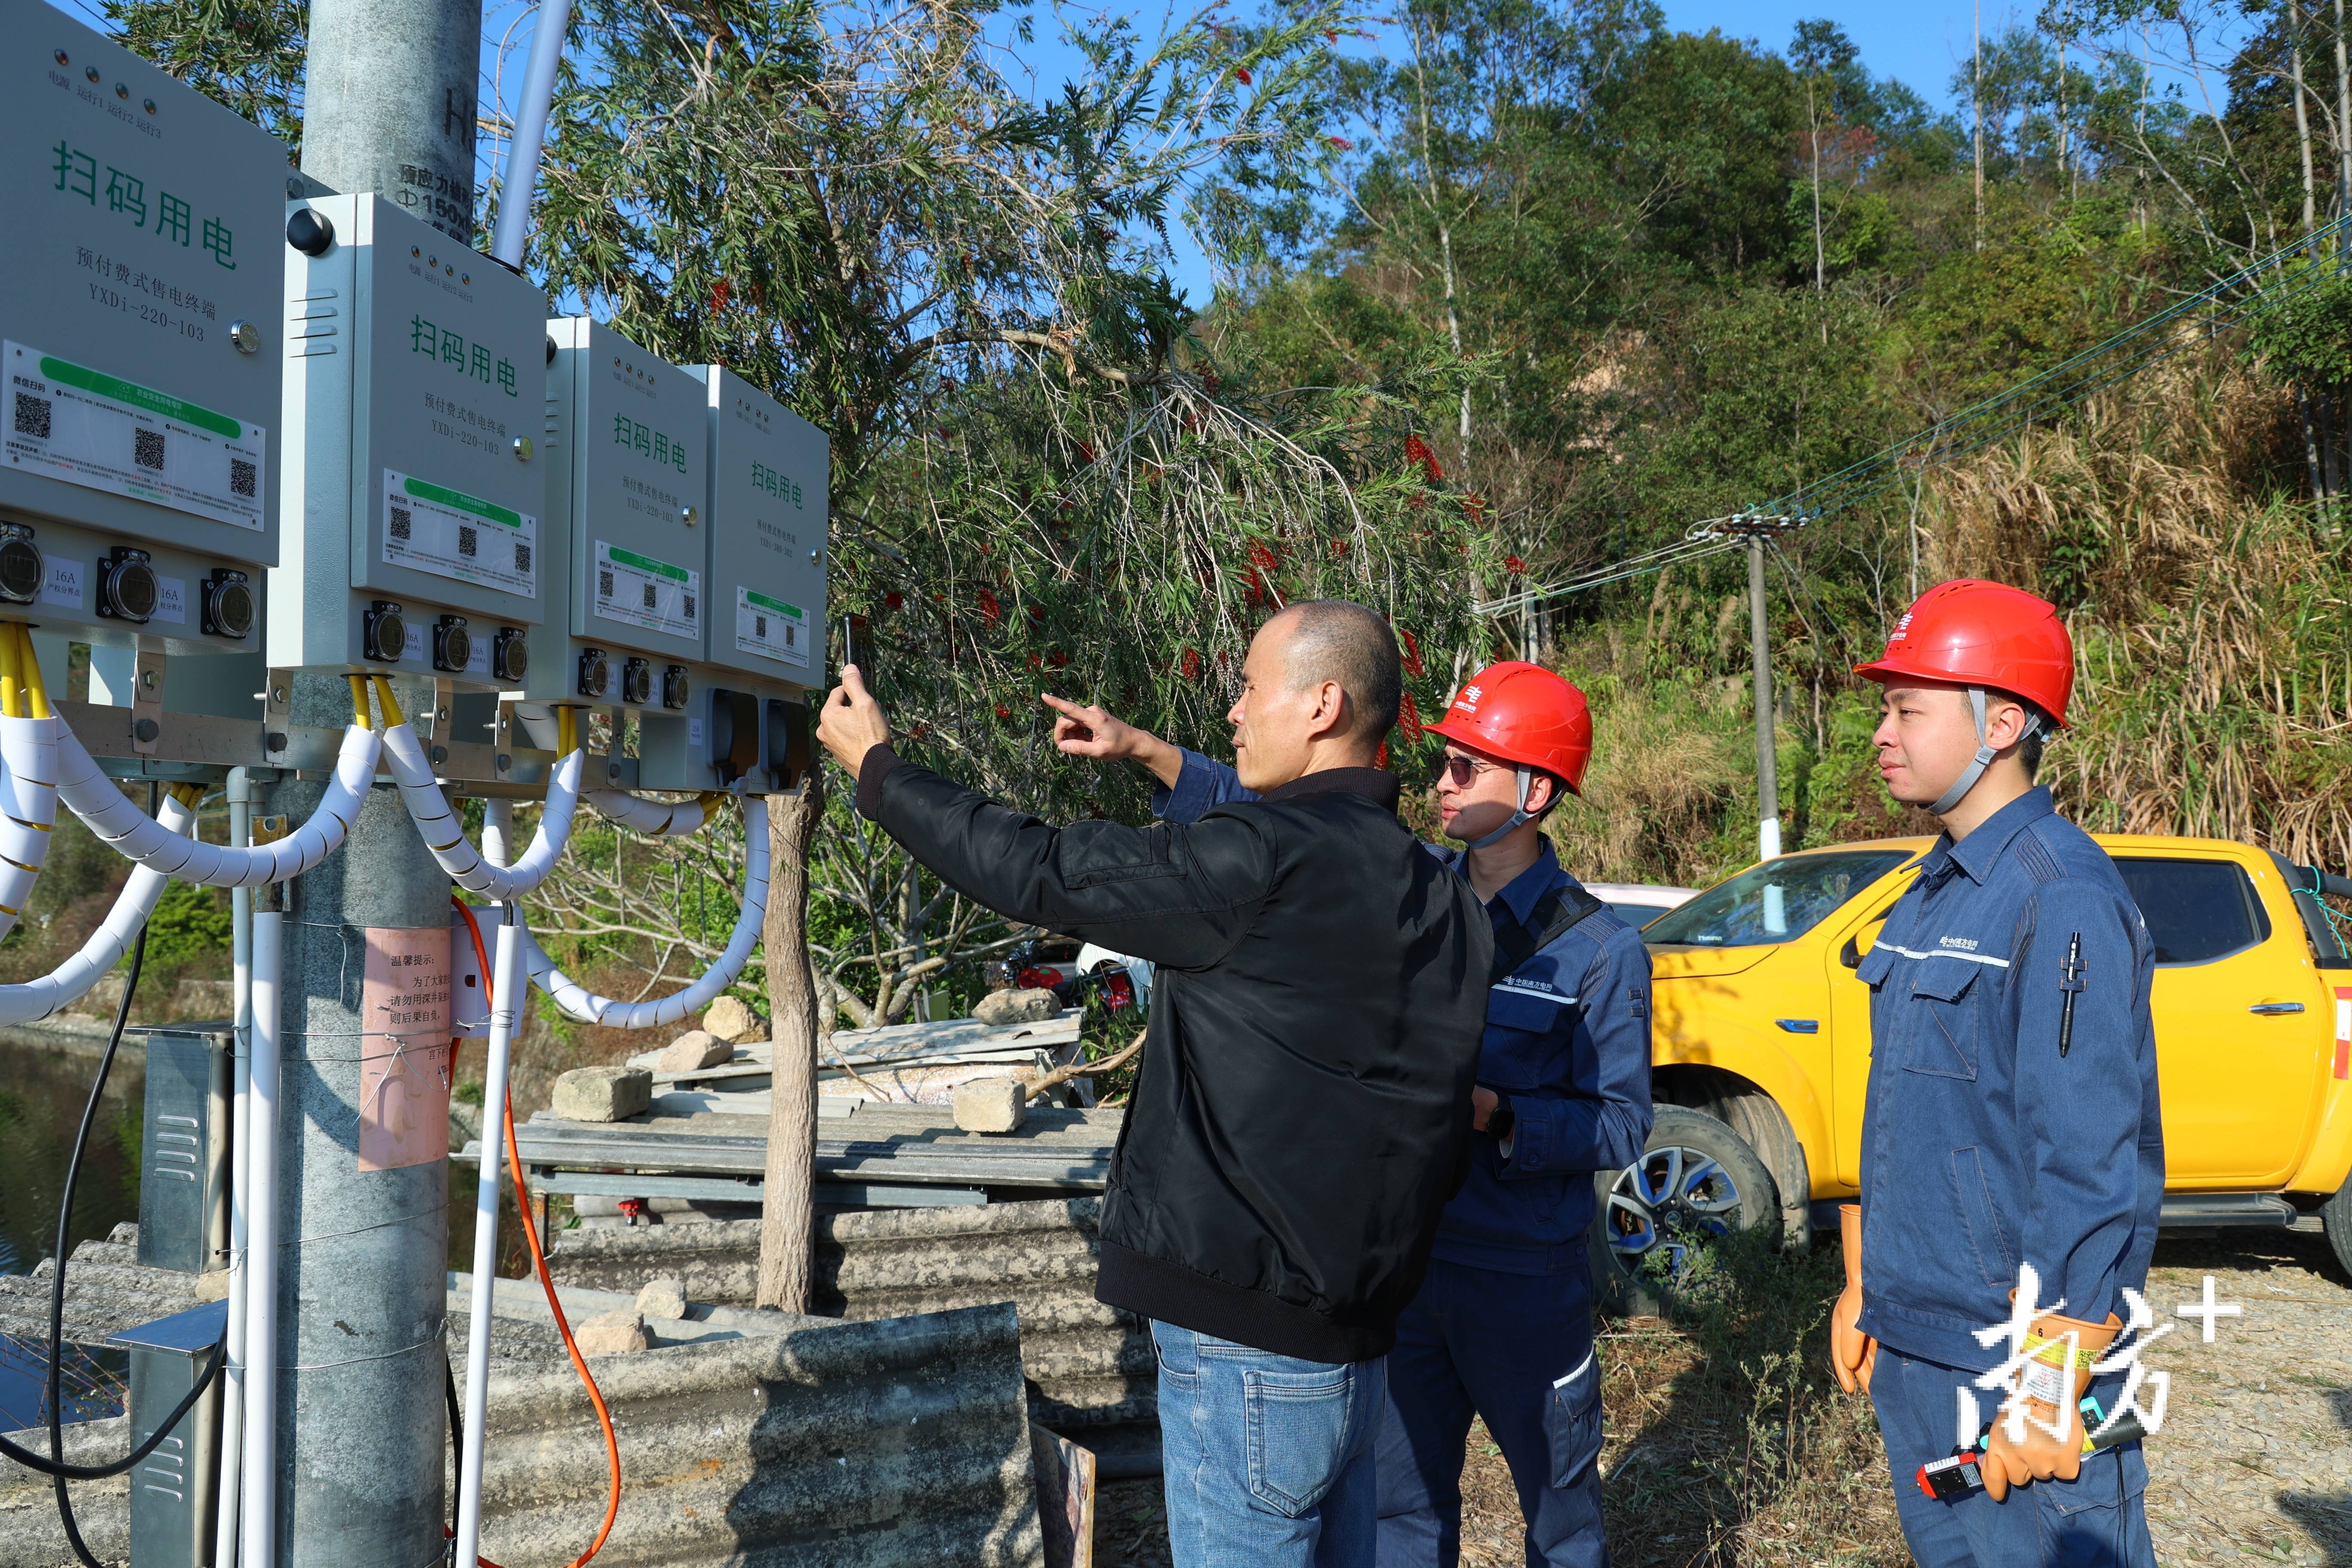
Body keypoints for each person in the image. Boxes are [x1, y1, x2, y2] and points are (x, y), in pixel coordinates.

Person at [814, 600, 1492, 1568]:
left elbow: (1045, 869)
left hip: (1245, 1353)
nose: (1233, 711)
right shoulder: (1442, 892)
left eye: (1252, 687)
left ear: (1320, 705)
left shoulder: (1260, 865)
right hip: (1359, 1349)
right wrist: (1149, 753)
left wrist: (882, 773)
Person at [1048, 659, 1654, 1568]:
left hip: (1521, 1281)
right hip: (1405, 1268)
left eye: (1468, 769)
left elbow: (1621, 1125)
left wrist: (1500, 1116)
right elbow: (1280, 828)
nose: (1442, 784)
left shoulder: (1600, 952)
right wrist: (1147, 753)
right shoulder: (1413, 891)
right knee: (1399, 1518)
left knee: (1561, 1516)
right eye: (1443, 761)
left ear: (1536, 791)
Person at [1834, 578, 2162, 1567]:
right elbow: (1903, 1108)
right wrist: (1865, 1286)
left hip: (2020, 1357)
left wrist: (2056, 1380)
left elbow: (2091, 1154)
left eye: (1908, 708)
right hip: (1920, 1339)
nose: (1883, 733)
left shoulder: (2060, 897)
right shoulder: (1930, 892)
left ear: (2003, 720)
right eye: (1885, 709)